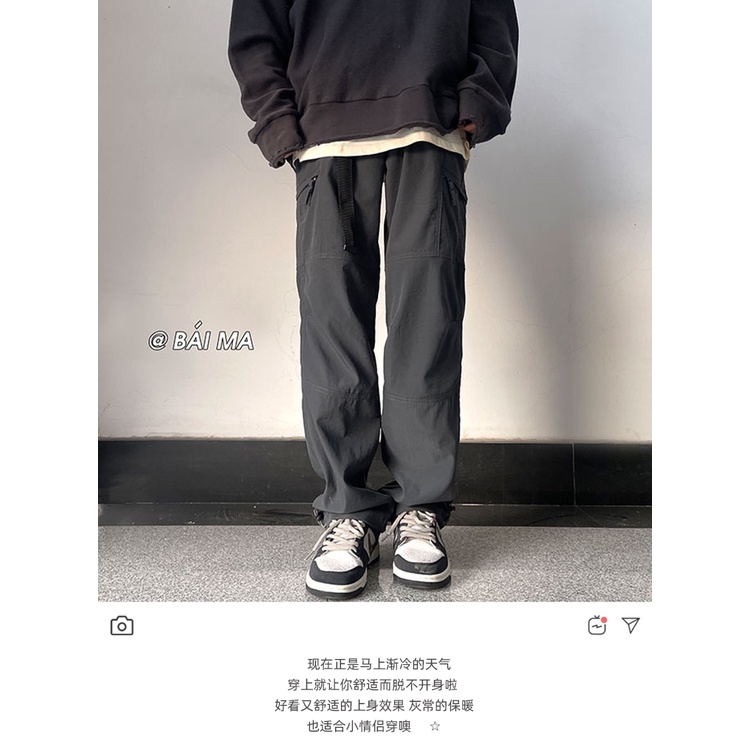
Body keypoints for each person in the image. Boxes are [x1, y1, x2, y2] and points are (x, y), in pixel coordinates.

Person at [228, 0, 518, 599]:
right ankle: (347, 510)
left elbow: (493, 17)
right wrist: (279, 124)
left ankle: (421, 506)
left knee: (429, 323)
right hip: (325, 136)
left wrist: (477, 103)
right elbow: (255, 30)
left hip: (430, 128)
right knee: (333, 328)